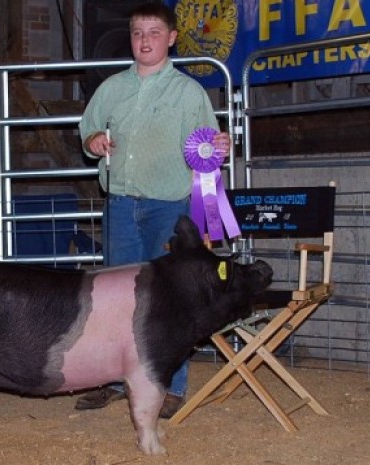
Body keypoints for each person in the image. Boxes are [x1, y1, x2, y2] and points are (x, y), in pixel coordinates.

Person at [76, 2, 230, 418]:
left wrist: (219, 147)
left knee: (167, 300)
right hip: (121, 205)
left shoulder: (188, 93)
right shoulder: (111, 89)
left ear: (172, 38)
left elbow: (208, 145)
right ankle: (111, 380)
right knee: (112, 297)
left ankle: (169, 385)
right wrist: (92, 140)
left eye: (154, 32)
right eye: (138, 33)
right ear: (131, 37)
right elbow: (87, 125)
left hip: (169, 206)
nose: (145, 40)